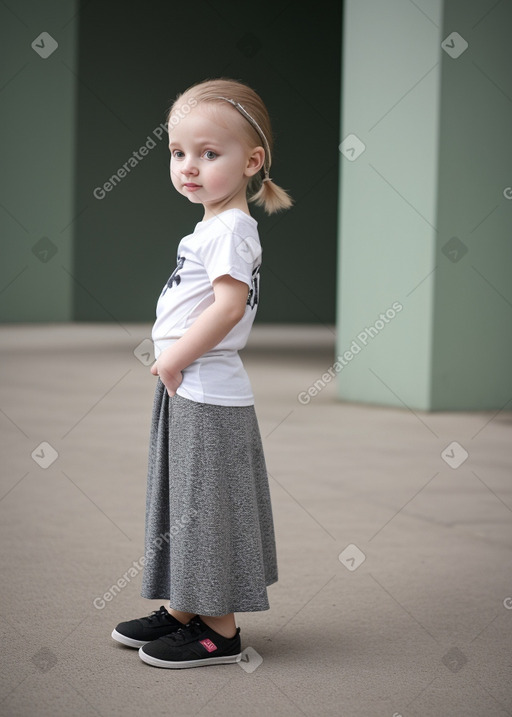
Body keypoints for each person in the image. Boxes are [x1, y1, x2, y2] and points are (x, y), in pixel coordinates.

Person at [111, 77, 293, 669]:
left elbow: (229, 307)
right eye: (178, 153)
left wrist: (175, 356)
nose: (190, 166)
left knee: (206, 507)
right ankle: (187, 608)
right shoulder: (212, 228)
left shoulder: (232, 230)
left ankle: (220, 631)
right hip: (190, 388)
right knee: (183, 501)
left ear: (252, 162)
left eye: (209, 153)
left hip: (206, 390)